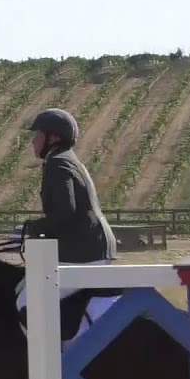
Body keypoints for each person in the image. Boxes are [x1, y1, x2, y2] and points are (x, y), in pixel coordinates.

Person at [15, 108, 117, 315]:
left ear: (53, 138)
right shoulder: (64, 159)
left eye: (38, 135)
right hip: (88, 248)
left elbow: (65, 212)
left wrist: (33, 227)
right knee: (20, 288)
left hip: (85, 253)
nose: (33, 142)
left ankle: (54, 348)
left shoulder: (58, 163)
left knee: (27, 302)